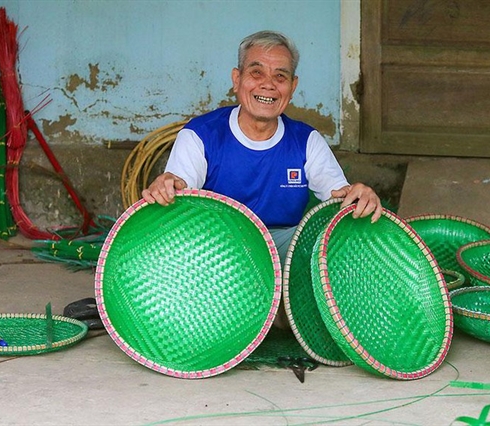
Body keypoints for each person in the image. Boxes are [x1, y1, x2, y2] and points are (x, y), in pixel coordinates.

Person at [142, 30, 382, 326]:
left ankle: (276, 313)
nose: (268, 84)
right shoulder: (200, 135)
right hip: (218, 252)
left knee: (335, 252)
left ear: (292, 87)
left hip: (284, 247)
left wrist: (359, 196)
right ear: (237, 79)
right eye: (256, 73)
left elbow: (341, 199)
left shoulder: (306, 141)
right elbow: (178, 189)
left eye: (280, 77)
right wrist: (166, 184)